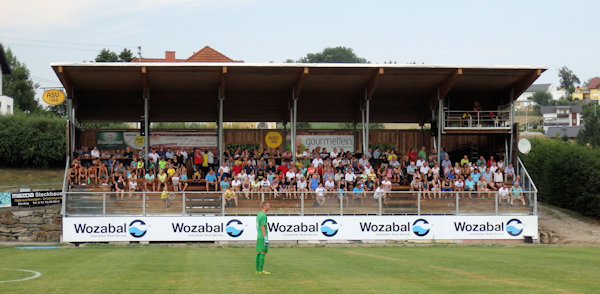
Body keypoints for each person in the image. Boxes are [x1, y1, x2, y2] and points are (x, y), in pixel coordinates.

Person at [255, 202, 271, 275]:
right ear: (265, 206)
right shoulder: (263, 215)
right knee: (263, 252)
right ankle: (261, 269)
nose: (269, 207)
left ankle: (257, 269)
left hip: (259, 235)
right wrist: (265, 238)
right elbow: (262, 227)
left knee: (258, 251)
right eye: (268, 206)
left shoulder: (259, 214)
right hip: (262, 236)